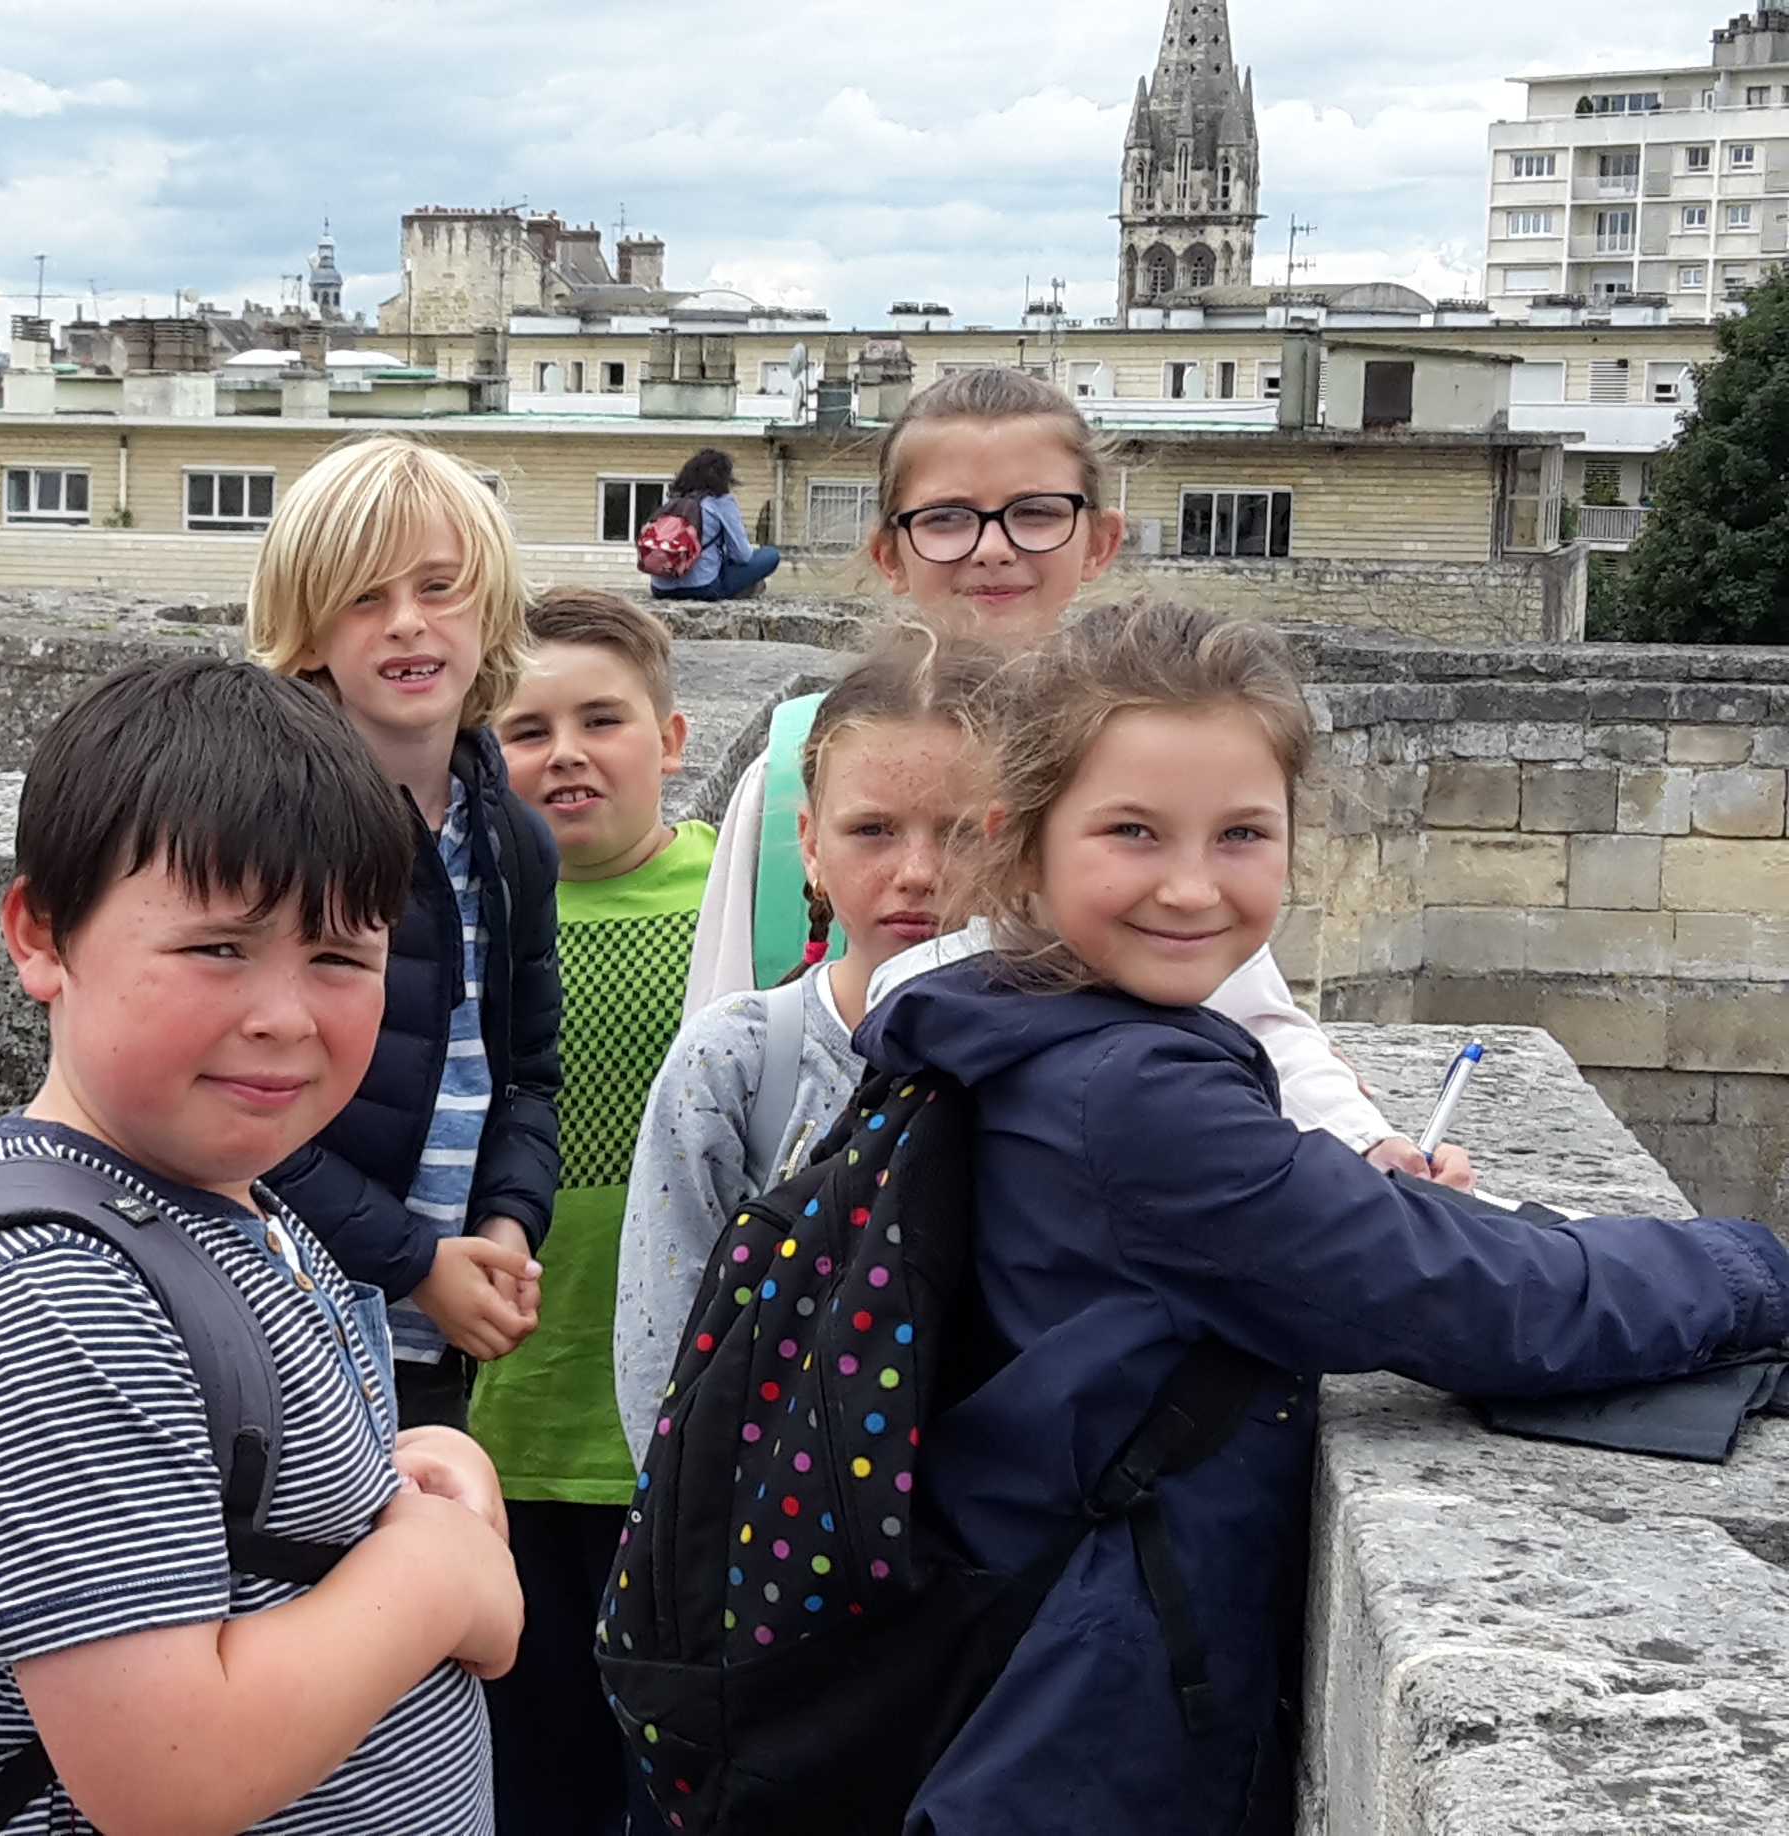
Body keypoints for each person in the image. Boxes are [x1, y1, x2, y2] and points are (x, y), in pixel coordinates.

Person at [859, 600, 1789, 1834]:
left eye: (1241, 833)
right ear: (1020, 850)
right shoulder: (1131, 1095)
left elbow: (1344, 1229)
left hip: (1024, 1637)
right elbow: (1460, 1296)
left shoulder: (1015, 1021)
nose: (1192, 886)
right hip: (1097, 1716)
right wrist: (1753, 1266)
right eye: (1134, 832)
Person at [0, 655, 519, 1833]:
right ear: (42, 937)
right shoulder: (48, 1297)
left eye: (340, 957)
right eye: (219, 948)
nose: (283, 1012)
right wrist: (434, 1580)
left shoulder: (233, 1198)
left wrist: (412, 1479)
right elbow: (169, 1779)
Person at [677, 367, 1474, 1192]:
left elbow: (1250, 1009)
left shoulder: (1134, 763)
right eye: (948, 518)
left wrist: (1368, 1144)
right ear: (889, 551)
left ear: (1099, 541)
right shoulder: (794, 767)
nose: (993, 545)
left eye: (1035, 514)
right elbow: (726, 1027)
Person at [611, 621, 993, 1461]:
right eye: (873, 831)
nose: (919, 872)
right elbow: (659, 1351)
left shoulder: (1054, 1061)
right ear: (810, 845)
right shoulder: (737, 1063)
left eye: (961, 832)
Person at [246, 433, 564, 1432]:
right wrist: (416, 1262)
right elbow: (243, 1120)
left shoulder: (509, 836)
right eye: (363, 597)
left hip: (432, 1334)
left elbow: (526, 1075)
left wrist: (509, 1227)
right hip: (281, 1314)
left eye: (439, 586)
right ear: (309, 630)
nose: (408, 624)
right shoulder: (269, 825)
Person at [472, 586, 712, 1835]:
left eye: (601, 719)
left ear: (669, 739)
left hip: (685, 1440)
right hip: (508, 1432)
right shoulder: (474, 921)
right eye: (526, 728)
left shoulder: (747, 908)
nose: (564, 754)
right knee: (532, 1785)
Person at [645, 448, 780, 602]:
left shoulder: (670, 501)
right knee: (770, 555)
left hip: (660, 588)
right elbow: (742, 555)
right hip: (703, 587)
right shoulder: (721, 502)